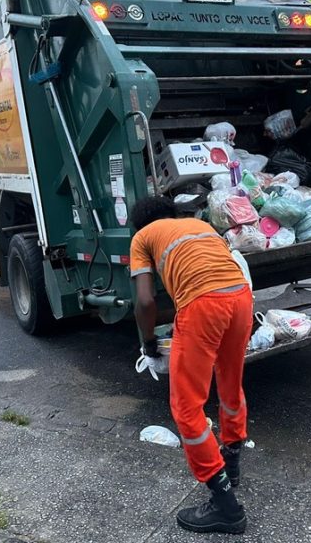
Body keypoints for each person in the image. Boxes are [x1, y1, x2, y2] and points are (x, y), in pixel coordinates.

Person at [129, 196, 252, 534]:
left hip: (203, 305)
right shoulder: (200, 225)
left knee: (186, 408)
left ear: (140, 224)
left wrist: (148, 341)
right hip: (240, 297)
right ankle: (233, 462)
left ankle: (226, 507)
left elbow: (144, 302)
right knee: (229, 382)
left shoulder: (142, 237)